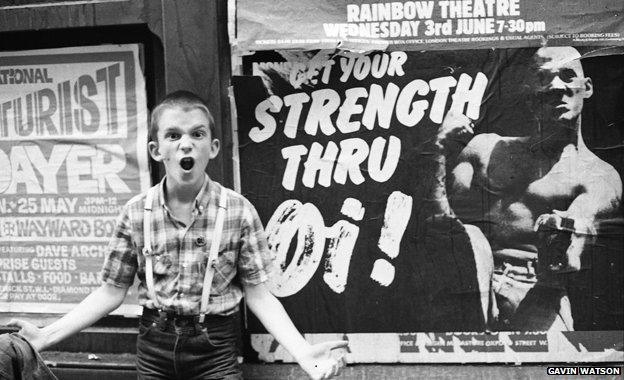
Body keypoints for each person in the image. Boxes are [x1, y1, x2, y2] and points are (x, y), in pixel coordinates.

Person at [8, 91, 348, 379]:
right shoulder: (136, 213)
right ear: (158, 151)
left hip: (215, 349)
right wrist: (45, 336)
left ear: (212, 148)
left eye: (197, 135)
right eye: (173, 136)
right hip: (155, 346)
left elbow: (259, 296)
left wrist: (303, 352)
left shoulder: (238, 211)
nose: (186, 144)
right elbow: (110, 292)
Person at [429, 46, 622, 331]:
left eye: (568, 75)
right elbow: (436, 225)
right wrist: (438, 151)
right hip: (466, 283)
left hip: (538, 292)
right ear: (530, 96)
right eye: (545, 78)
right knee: (470, 236)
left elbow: (581, 224)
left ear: (587, 87)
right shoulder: (484, 150)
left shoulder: (599, 176)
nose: (558, 86)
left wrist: (565, 235)